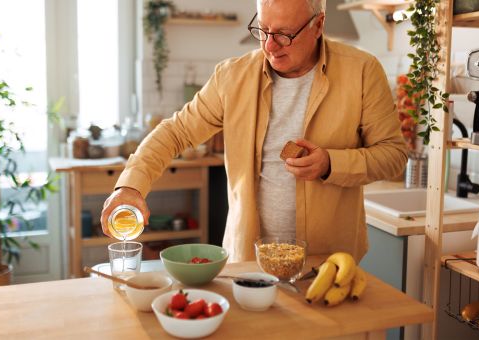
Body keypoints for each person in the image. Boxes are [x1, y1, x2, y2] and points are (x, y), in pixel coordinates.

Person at [101, 0, 407, 263]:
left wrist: (330, 164)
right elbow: (175, 132)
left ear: (318, 25)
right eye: (263, 29)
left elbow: (393, 155)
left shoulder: (363, 71)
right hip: (247, 261)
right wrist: (130, 186)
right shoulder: (231, 76)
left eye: (285, 34)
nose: (269, 46)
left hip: (327, 261)